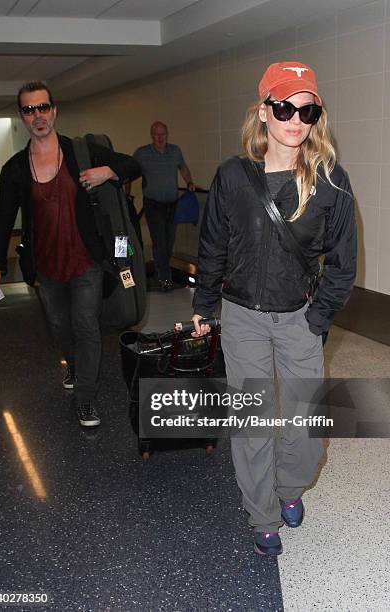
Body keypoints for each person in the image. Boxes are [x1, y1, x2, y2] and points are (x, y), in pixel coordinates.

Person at [192, 62, 357, 556]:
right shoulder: (232, 176)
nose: (296, 119)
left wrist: (317, 318)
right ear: (264, 112)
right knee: (254, 421)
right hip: (241, 315)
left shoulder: (331, 181)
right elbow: (213, 246)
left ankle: (289, 488)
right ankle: (262, 512)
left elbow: (344, 263)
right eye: (284, 107)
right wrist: (204, 304)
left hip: (298, 317)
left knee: (309, 425)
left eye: (308, 109)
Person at [0, 81, 141, 428]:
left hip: (88, 261)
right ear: (22, 117)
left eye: (42, 107)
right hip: (46, 267)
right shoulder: (15, 169)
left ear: (54, 111)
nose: (37, 115)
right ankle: (73, 363)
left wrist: (108, 171)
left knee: (86, 325)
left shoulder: (81, 152)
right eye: (29, 109)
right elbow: (2, 219)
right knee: (60, 327)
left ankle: (85, 398)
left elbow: (133, 164)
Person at [127, 121, 195, 291]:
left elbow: (183, 168)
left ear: (167, 135)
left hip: (172, 205)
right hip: (153, 205)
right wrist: (126, 194)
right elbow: (129, 173)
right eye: (156, 134)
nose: (160, 138)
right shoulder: (142, 153)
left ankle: (163, 272)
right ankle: (164, 278)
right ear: (151, 136)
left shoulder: (175, 151)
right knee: (159, 242)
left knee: (169, 241)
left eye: (162, 134)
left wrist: (190, 183)